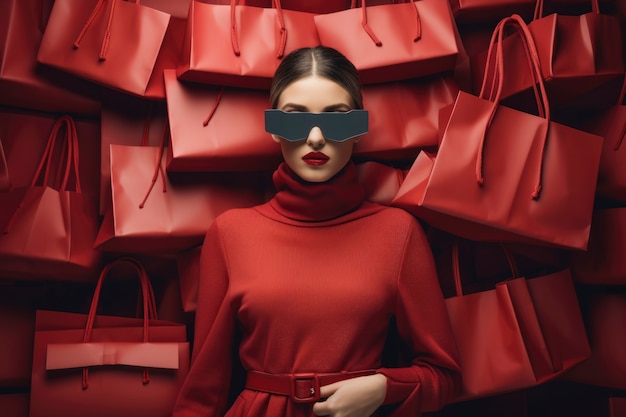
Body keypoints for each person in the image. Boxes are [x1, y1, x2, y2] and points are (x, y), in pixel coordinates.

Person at [172, 46, 461, 417]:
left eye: (337, 120)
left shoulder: (398, 232)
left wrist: (384, 387)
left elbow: (445, 376)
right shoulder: (230, 233)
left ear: (358, 130)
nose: (315, 137)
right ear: (274, 130)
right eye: (293, 120)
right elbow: (203, 389)